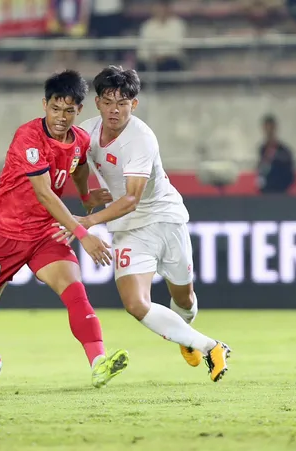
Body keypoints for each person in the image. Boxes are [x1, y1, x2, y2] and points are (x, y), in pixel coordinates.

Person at [0, 70, 129, 389]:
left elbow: (80, 164)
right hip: (4, 234)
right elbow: (45, 193)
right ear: (44, 104)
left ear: (79, 111)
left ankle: (99, 363)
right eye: (55, 109)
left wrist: (86, 195)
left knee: (76, 293)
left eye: (69, 110)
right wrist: (83, 232)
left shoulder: (80, 140)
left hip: (46, 234)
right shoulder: (29, 137)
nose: (61, 117)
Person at [54, 66, 231, 382]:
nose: (115, 110)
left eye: (122, 103)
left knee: (184, 299)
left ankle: (186, 335)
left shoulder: (140, 139)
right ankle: (208, 346)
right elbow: (78, 164)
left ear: (133, 105)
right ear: (97, 102)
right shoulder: (87, 132)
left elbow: (132, 198)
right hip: (128, 228)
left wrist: (88, 221)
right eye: (108, 101)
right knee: (136, 303)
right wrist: (85, 195)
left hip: (164, 218)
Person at [257, 114, 295, 194]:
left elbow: (290, 175)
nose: (268, 131)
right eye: (266, 128)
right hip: (265, 192)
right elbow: (261, 171)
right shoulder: (262, 149)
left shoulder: (284, 151)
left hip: (280, 192)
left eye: (271, 128)